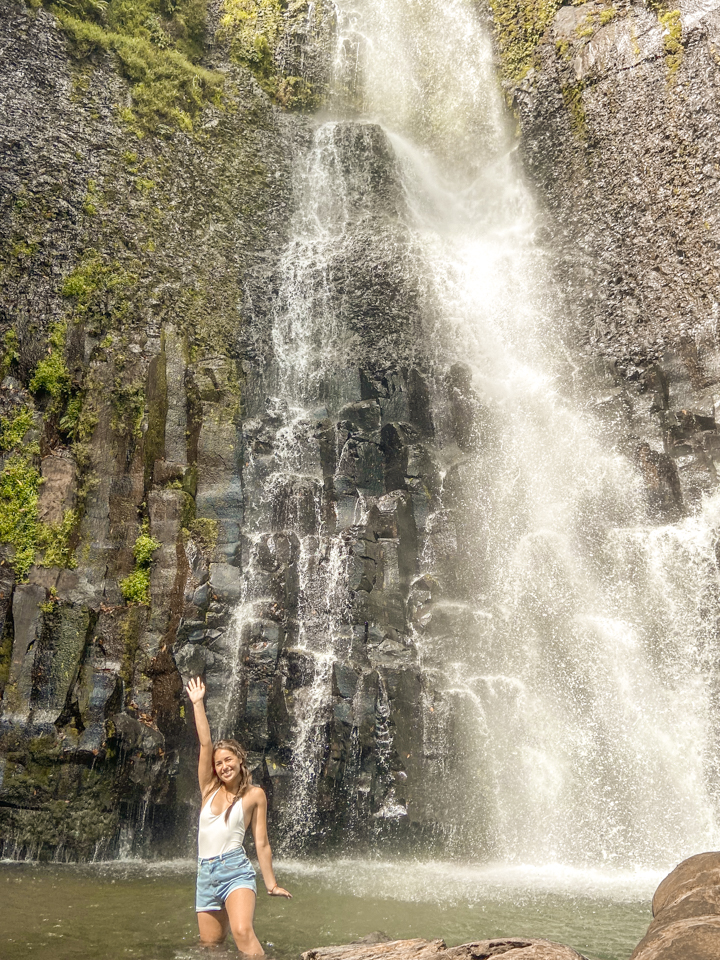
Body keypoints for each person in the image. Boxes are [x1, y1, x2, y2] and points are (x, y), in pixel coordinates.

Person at [186, 676, 291, 955]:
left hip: (235, 871)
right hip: (205, 873)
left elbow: (262, 843)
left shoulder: (255, 795)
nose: (223, 766)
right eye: (218, 763)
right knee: (211, 945)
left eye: (228, 760)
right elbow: (205, 744)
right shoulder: (208, 789)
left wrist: (271, 883)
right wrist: (198, 704)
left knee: (242, 932)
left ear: (240, 760)